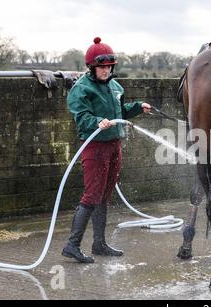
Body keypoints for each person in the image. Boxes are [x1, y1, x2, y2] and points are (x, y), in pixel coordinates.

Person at [62, 37, 152, 263]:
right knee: (92, 195)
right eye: (102, 66)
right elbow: (82, 118)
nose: (106, 70)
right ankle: (72, 245)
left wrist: (138, 108)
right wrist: (97, 121)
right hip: (95, 147)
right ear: (92, 67)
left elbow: (120, 112)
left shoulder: (115, 86)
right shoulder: (81, 89)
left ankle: (99, 243)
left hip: (114, 146)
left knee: (104, 196)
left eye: (109, 66)